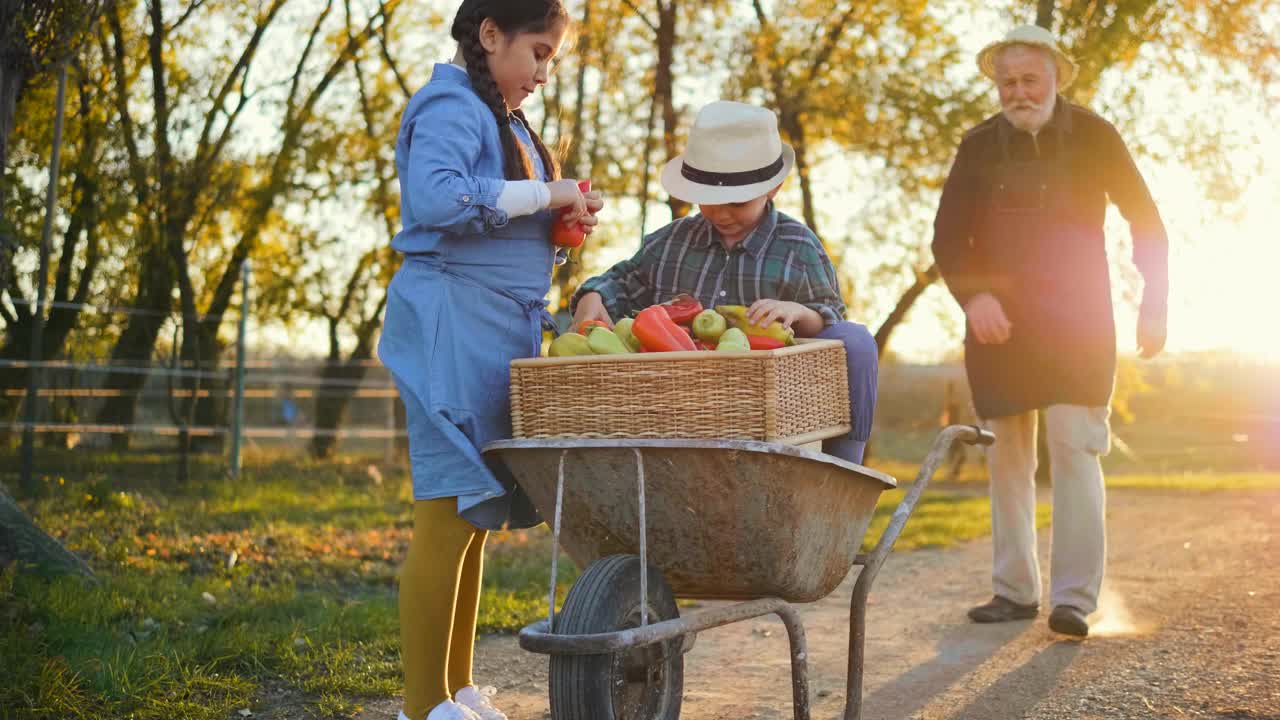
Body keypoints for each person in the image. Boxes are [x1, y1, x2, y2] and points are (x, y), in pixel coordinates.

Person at [376, 2, 604, 718]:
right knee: (447, 509)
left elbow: (506, 214)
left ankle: (458, 688)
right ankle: (422, 706)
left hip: (497, 328)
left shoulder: (506, 120)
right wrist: (547, 193)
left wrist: (563, 222)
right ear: (490, 34)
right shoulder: (449, 101)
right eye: (537, 53)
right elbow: (437, 199)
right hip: (449, 321)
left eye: (551, 60)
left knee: (473, 517)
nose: (542, 72)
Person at [930, 25, 1168, 637]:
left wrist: (1154, 303)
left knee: (1074, 449)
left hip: (1079, 324)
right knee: (1006, 457)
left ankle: (1074, 601)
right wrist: (974, 294)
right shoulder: (978, 144)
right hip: (998, 329)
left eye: (1028, 79)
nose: (1017, 91)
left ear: (1056, 76)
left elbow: (1146, 220)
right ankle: (1013, 592)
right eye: (1007, 82)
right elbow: (949, 237)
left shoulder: (1094, 134)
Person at [572, 100, 877, 464]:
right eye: (708, 201)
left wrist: (797, 312)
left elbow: (831, 321)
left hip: (768, 406)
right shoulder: (672, 242)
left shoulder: (797, 247)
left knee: (857, 340)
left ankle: (843, 468)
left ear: (774, 188)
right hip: (679, 408)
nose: (721, 213)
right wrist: (593, 296)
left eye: (736, 201)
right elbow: (620, 281)